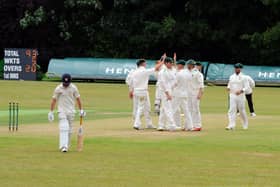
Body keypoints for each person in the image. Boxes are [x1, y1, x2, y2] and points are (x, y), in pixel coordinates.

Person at [48, 74, 86, 152]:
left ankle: (66, 146)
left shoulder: (74, 88)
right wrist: (51, 111)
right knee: (64, 127)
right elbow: (54, 100)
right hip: (62, 111)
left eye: (67, 83)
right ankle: (63, 146)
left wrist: (81, 110)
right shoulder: (58, 88)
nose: (65, 85)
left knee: (70, 130)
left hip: (71, 111)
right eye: (64, 83)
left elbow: (78, 99)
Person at [130, 58, 164, 130]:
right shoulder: (144, 71)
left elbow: (131, 82)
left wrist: (131, 91)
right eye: (145, 63)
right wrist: (162, 61)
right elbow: (156, 68)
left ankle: (149, 124)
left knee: (147, 107)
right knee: (141, 107)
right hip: (142, 91)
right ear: (142, 64)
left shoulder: (134, 72)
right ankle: (136, 124)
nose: (146, 64)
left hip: (136, 91)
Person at [226, 63, 250, 130]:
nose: (236, 69)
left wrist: (241, 91)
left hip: (241, 96)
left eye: (238, 68)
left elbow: (247, 87)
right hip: (232, 95)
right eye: (236, 68)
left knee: (241, 110)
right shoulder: (231, 76)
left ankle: (245, 123)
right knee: (231, 110)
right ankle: (231, 125)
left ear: (240, 69)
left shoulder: (244, 77)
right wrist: (228, 87)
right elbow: (229, 84)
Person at [157, 57, 178, 131]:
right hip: (164, 91)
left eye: (172, 62)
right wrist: (167, 94)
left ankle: (161, 125)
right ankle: (172, 125)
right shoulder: (162, 72)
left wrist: (173, 87)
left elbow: (175, 80)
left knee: (163, 108)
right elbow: (163, 84)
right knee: (168, 108)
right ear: (166, 63)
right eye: (170, 63)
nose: (172, 64)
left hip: (171, 90)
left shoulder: (173, 70)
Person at [172, 60, 193, 131]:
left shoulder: (180, 73)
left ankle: (170, 124)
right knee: (186, 110)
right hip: (185, 94)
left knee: (173, 109)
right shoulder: (190, 74)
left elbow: (174, 83)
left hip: (177, 94)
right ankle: (190, 126)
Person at [188, 60, 204, 131]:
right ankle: (190, 125)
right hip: (189, 93)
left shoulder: (198, 74)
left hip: (195, 93)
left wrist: (200, 94)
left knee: (196, 109)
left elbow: (201, 85)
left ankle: (198, 125)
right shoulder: (188, 72)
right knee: (189, 109)